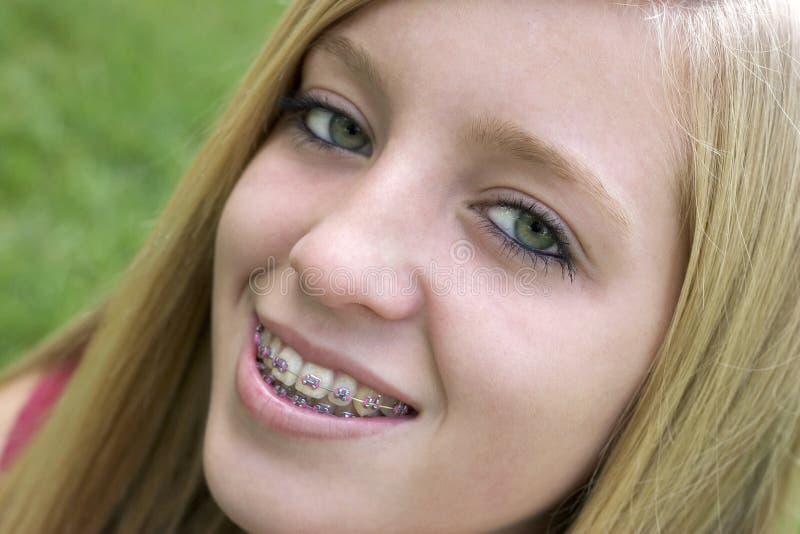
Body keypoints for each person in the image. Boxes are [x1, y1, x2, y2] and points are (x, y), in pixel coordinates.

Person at [1, 0, 799, 532]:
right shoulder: (32, 455)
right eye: (335, 123)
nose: (330, 258)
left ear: (707, 374)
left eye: (525, 227)